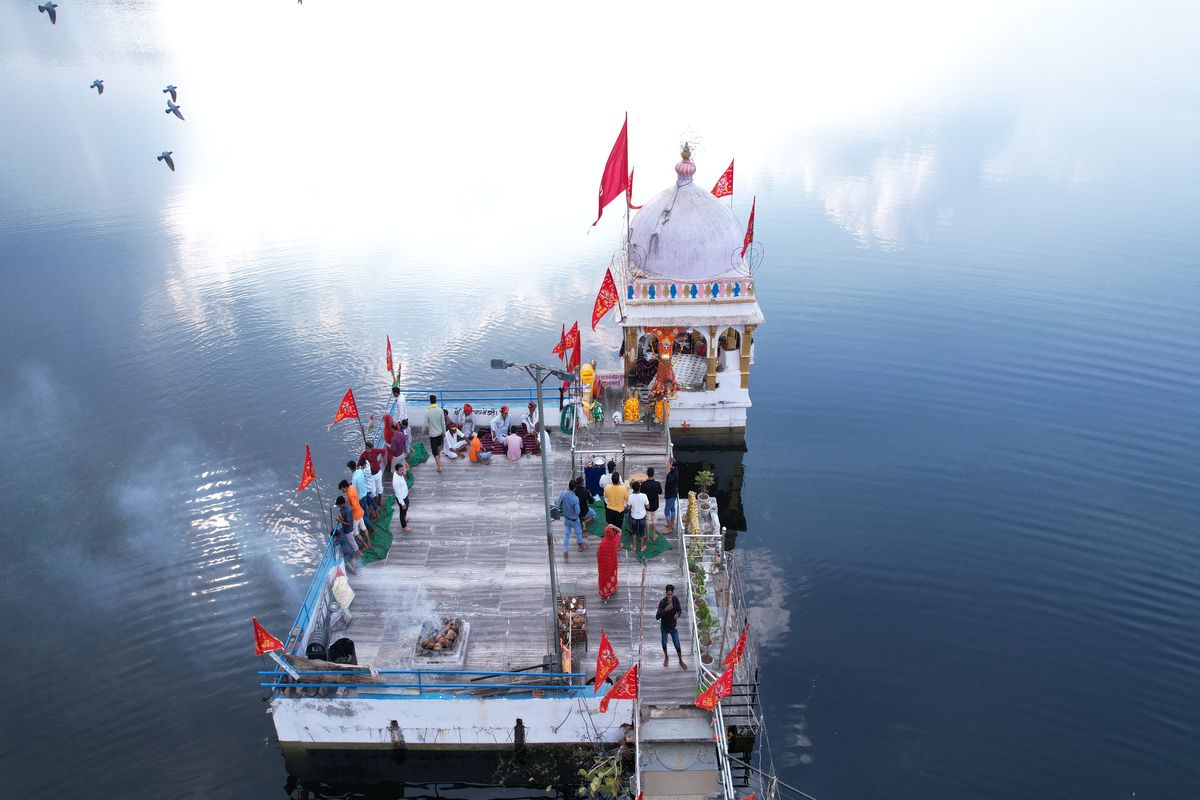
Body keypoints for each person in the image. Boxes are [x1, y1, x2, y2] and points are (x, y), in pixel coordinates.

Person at [656, 584, 687, 670]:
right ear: (666, 594)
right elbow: (657, 616)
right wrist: (665, 609)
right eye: (668, 594)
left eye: (671, 594)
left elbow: (680, 610)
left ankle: (680, 660)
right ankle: (666, 657)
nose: (669, 596)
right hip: (664, 627)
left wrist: (678, 614)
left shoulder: (676, 600)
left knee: (677, 644)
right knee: (664, 643)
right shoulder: (662, 602)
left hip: (673, 627)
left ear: (673, 594)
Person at [339, 479, 372, 551]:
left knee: (355, 533)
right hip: (360, 512)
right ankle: (369, 542)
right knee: (364, 528)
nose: (342, 491)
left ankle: (365, 545)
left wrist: (347, 508)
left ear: (345, 487)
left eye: (342, 489)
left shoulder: (350, 494)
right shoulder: (352, 488)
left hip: (356, 515)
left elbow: (354, 507)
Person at [557, 478, 586, 559]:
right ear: (575, 488)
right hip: (574, 519)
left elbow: (558, 503)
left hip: (566, 519)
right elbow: (578, 511)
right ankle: (580, 545)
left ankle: (565, 551)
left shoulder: (563, 494)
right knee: (578, 532)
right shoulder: (575, 498)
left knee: (567, 534)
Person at [333, 495, 359, 574]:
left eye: (339, 505)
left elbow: (348, 523)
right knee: (352, 555)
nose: (339, 507)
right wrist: (341, 518)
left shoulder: (347, 511)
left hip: (349, 531)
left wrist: (339, 520)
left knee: (347, 560)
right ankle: (355, 567)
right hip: (349, 548)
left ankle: (353, 570)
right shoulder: (344, 508)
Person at [597, 524, 621, 601]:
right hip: (612, 564)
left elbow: (598, 554)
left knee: (603, 577)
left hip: (603, 566)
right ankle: (612, 589)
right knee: (612, 576)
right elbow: (620, 532)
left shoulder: (602, 543)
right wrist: (614, 527)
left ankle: (604, 592)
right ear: (612, 534)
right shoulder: (614, 541)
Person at [627, 480, 649, 556]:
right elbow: (648, 506)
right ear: (640, 488)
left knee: (634, 532)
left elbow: (628, 508)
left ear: (633, 489)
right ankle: (642, 547)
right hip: (642, 516)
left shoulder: (630, 496)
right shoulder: (644, 496)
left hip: (634, 517)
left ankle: (634, 546)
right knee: (642, 532)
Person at [425, 394, 446, 473]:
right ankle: (438, 466)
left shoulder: (427, 411)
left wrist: (422, 431)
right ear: (436, 401)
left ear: (430, 401)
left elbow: (425, 423)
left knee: (434, 452)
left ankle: (440, 465)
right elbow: (443, 423)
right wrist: (444, 432)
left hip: (433, 435)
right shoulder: (440, 410)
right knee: (438, 450)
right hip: (439, 433)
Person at [391, 463, 413, 532]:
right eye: (400, 470)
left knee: (406, 509)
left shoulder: (399, 474)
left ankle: (405, 517)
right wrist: (402, 503)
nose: (402, 471)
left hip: (405, 495)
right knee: (402, 511)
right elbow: (398, 494)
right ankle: (404, 526)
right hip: (402, 498)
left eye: (402, 470)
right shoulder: (396, 482)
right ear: (396, 471)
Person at [641, 467, 662, 536]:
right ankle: (654, 535)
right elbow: (660, 492)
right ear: (653, 474)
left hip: (647, 505)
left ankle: (647, 536)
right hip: (655, 505)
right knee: (654, 520)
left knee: (648, 520)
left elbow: (641, 492)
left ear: (647, 474)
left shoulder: (644, 484)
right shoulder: (657, 483)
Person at [663, 458, 679, 531]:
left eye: (669, 463)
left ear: (672, 466)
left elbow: (669, 480)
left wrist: (668, 471)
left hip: (671, 495)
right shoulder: (674, 470)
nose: (667, 464)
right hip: (671, 494)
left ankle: (669, 528)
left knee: (666, 511)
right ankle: (671, 523)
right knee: (672, 509)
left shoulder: (674, 473)